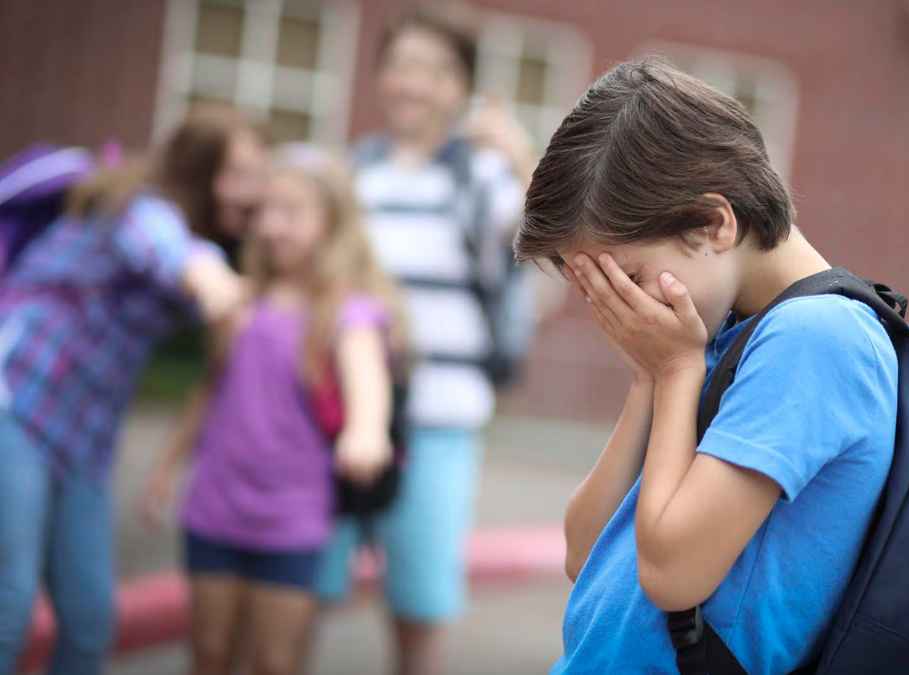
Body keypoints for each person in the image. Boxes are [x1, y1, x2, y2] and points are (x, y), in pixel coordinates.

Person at [513, 58, 901, 674]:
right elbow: (583, 551)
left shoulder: (815, 340)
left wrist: (672, 373)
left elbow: (673, 574)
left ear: (713, 223)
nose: (622, 308)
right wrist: (650, 378)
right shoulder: (718, 334)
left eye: (629, 278)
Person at [0, 105, 266, 675]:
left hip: (82, 440)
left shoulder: (211, 236)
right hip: (14, 405)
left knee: (92, 619)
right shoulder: (136, 208)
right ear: (198, 170)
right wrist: (208, 279)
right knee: (8, 604)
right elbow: (164, 248)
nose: (255, 190)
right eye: (239, 172)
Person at [311, 8, 530, 675]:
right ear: (380, 76)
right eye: (403, 64)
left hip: (438, 421)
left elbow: (548, 232)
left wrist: (518, 152)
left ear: (461, 87)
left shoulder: (481, 176)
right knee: (304, 592)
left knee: (419, 605)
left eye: (435, 70)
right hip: (335, 421)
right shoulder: (352, 175)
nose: (414, 83)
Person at [142, 144, 407, 675]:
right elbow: (210, 391)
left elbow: (366, 375)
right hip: (215, 506)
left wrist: (367, 430)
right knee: (210, 655)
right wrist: (168, 466)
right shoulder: (240, 298)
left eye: (292, 212)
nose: (271, 225)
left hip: (292, 516)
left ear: (332, 223)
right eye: (266, 209)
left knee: (275, 662)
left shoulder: (346, 309)